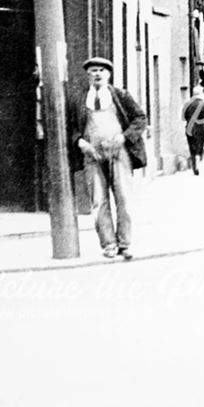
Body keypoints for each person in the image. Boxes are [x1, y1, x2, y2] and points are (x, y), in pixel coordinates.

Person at [68, 56, 147, 260]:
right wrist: (80, 142)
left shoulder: (120, 96)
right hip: (92, 156)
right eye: (93, 71)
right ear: (88, 75)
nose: (97, 74)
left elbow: (140, 118)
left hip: (119, 154)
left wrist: (124, 137)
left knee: (124, 199)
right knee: (98, 202)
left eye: (101, 71)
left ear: (108, 74)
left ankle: (125, 244)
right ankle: (108, 245)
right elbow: (72, 127)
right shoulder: (79, 99)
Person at [181, 84, 204, 175]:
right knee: (199, 147)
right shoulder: (203, 104)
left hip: (189, 128)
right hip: (200, 128)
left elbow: (183, 116)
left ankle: (194, 165)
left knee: (192, 147)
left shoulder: (188, 104)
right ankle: (197, 166)